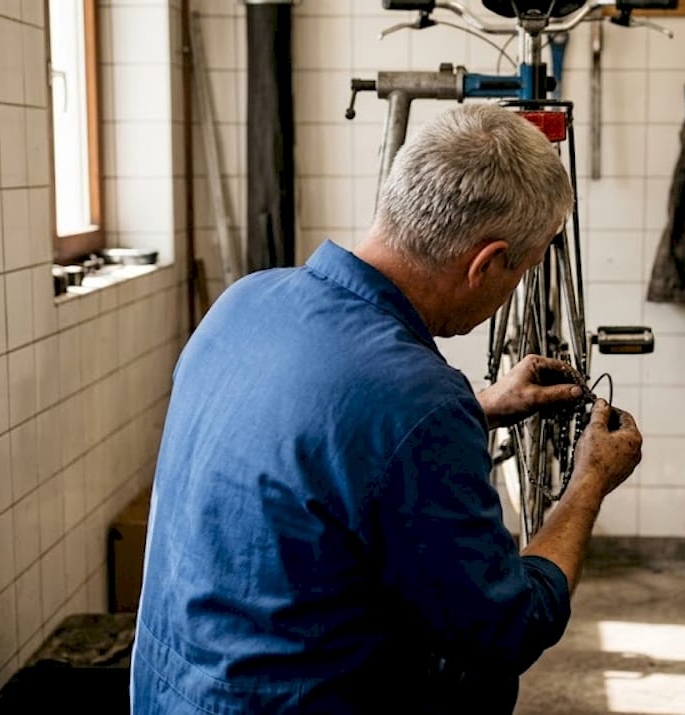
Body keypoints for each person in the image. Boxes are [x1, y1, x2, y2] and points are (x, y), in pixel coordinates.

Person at [130, 103, 643, 714]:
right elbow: (508, 628)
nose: (513, 291)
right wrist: (589, 482)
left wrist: (476, 409)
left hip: (170, 691)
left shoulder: (247, 299)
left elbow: (326, 452)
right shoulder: (417, 401)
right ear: (485, 263)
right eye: (520, 273)